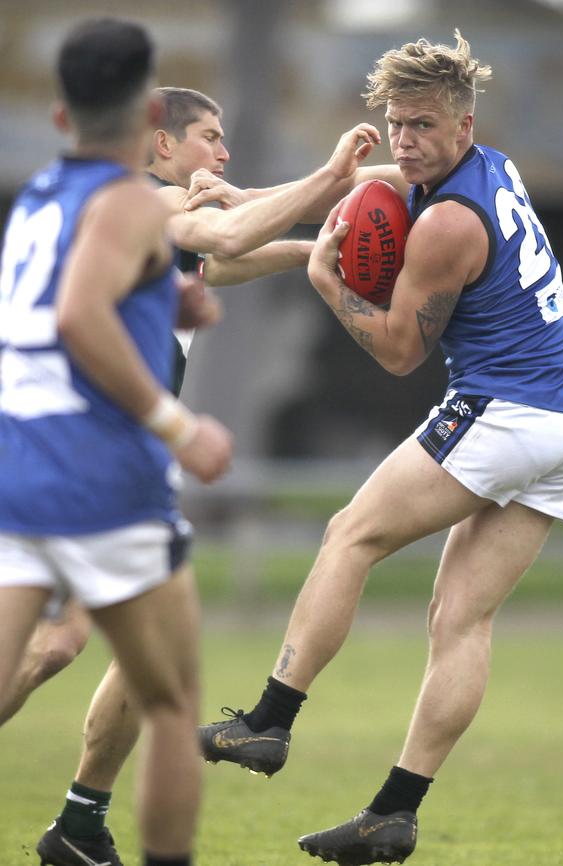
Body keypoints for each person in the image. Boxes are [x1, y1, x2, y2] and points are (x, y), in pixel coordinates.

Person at [197, 31, 563, 865]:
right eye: (395, 124)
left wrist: (329, 283)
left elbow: (396, 352)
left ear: (462, 124)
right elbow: (361, 190)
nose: (406, 141)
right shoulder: (486, 166)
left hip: (506, 412)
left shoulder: (450, 222)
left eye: (422, 125)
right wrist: (250, 197)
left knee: (351, 535)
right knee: (460, 620)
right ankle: (394, 815)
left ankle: (270, 721)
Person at [2, 65, 382, 866]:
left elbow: (229, 260)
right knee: (51, 647)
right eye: (211, 135)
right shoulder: (147, 200)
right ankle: (84, 824)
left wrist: (323, 246)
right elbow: (227, 235)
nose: (224, 147)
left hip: (104, 465)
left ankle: (80, 826)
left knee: (152, 661)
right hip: (83, 463)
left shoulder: (140, 215)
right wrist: (330, 179)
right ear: (163, 142)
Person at [0, 17, 233, 866]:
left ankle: (78, 832)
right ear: (148, 119)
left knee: (39, 655)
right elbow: (78, 314)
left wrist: (162, 306)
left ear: (61, 117)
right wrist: (179, 425)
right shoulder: (133, 199)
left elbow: (72, 299)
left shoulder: (37, 200)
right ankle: (97, 836)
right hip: (100, 475)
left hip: (16, 464)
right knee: (171, 701)